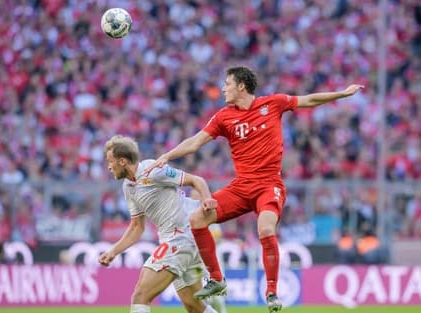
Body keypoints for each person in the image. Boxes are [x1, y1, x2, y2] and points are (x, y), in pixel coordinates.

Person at [144, 66, 364, 312]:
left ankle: (271, 292)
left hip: (269, 185)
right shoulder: (223, 117)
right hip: (241, 187)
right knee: (197, 219)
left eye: (227, 83)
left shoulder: (274, 103)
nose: (224, 88)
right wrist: (167, 155)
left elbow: (309, 99)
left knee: (266, 228)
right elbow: (195, 142)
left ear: (241, 85)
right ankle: (217, 278)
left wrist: (342, 94)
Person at [98, 135, 219, 313]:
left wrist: (207, 199)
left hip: (180, 239)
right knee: (194, 306)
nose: (109, 167)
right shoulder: (128, 187)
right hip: (182, 242)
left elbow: (196, 180)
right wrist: (113, 251)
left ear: (122, 161)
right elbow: (137, 227)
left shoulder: (152, 170)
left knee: (140, 296)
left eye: (110, 161)